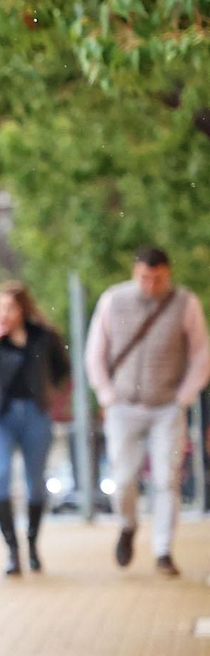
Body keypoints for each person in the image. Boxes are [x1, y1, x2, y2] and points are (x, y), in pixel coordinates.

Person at [84, 247, 209, 577]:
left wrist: (185, 395)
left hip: (166, 405)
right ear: (134, 272)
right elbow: (95, 351)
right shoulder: (114, 300)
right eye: (144, 278)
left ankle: (163, 550)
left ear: (168, 274)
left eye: (158, 279)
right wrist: (107, 395)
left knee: (167, 479)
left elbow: (201, 353)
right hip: (123, 406)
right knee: (123, 478)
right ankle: (127, 525)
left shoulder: (185, 304)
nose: (151, 285)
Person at [0, 282, 69, 576]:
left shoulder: (43, 337)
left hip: (35, 413)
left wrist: (49, 395)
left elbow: (62, 369)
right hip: (0, 416)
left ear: (22, 308)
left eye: (10, 307)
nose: (4, 314)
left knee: (36, 483)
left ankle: (33, 543)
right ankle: (12, 550)